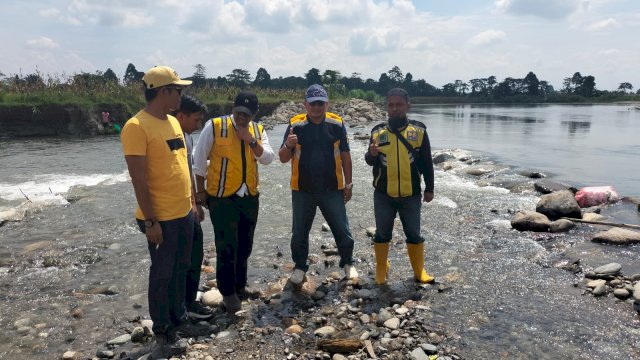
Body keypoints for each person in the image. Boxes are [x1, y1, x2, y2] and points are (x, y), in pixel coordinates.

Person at [120, 66, 204, 359]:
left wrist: (193, 202)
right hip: (160, 218)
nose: (182, 95)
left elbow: (183, 166)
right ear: (163, 91)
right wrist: (151, 219)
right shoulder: (136, 127)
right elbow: (139, 179)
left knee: (182, 268)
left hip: (183, 212)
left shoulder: (172, 122)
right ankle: (163, 332)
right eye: (178, 90)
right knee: (162, 275)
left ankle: (180, 319)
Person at [193, 91, 274, 313]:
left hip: (249, 196)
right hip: (222, 198)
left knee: (245, 244)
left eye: (246, 115)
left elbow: (267, 158)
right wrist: (199, 195)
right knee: (226, 245)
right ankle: (227, 292)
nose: (241, 118)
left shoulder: (257, 130)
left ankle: (240, 285)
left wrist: (250, 139)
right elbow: (198, 162)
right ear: (232, 108)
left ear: (254, 114)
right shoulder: (215, 126)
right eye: (238, 113)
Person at [278, 84, 357, 285]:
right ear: (305, 104)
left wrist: (349, 183)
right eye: (312, 104)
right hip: (302, 189)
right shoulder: (295, 125)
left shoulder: (337, 124)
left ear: (326, 104)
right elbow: (283, 158)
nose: (316, 107)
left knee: (341, 229)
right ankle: (299, 267)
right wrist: (289, 145)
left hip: (332, 188)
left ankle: (347, 262)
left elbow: (346, 156)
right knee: (299, 232)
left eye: (320, 103)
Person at [364, 87, 435, 285]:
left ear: (407, 106)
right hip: (383, 194)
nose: (394, 108)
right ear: (386, 107)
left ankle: (419, 271)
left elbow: (427, 162)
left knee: (414, 233)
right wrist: (372, 154)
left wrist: (430, 188)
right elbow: (370, 160)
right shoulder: (377, 132)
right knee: (382, 233)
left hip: (411, 194)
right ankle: (381, 268)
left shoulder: (419, 131)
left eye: (399, 104)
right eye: (391, 105)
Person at [173, 94, 213, 320]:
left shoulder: (186, 136)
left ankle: (188, 301)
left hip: (187, 207)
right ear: (181, 116)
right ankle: (179, 309)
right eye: (196, 120)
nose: (199, 125)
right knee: (180, 260)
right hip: (173, 210)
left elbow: (188, 171)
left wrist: (196, 202)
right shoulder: (173, 136)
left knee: (195, 254)